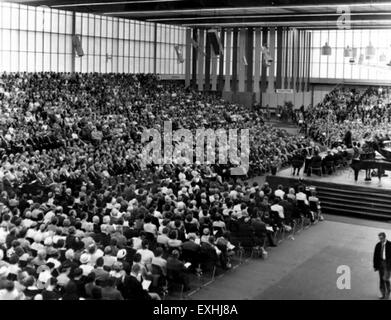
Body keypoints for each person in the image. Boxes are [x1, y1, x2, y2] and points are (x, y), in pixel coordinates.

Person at [373, 232, 391, 299]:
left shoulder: (390, 244)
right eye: (379, 238)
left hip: (387, 264)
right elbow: (375, 256)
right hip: (380, 264)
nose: (380, 240)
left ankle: (388, 294)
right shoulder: (378, 245)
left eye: (382, 238)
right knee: (381, 280)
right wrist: (375, 266)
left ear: (384, 237)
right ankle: (383, 294)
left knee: (386, 279)